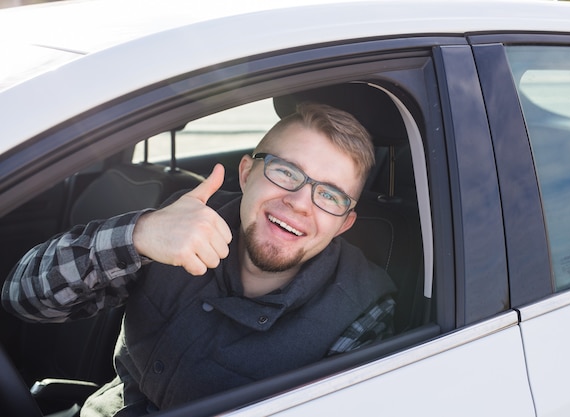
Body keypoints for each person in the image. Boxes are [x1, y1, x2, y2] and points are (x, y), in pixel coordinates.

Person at [2, 102, 396, 416]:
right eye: (286, 171)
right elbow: (24, 297)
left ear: (345, 223)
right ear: (246, 174)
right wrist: (137, 236)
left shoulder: (365, 308)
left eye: (329, 195)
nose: (299, 204)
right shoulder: (177, 225)